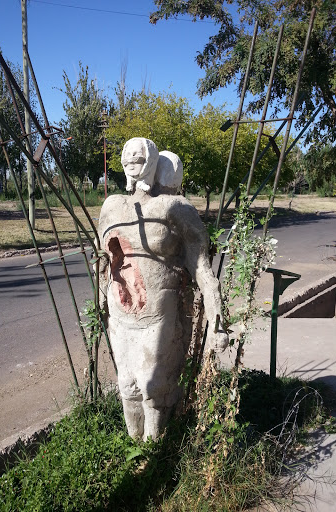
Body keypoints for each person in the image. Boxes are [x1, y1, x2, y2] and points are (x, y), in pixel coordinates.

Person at [98, 137, 228, 440]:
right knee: (127, 387)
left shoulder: (175, 208)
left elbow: (202, 269)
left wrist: (217, 323)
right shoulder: (112, 205)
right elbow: (103, 257)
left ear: (153, 159)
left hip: (158, 315)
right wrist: (103, 300)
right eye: (126, 153)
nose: (131, 157)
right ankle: (136, 449)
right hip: (120, 315)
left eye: (139, 153)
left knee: (154, 387)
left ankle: (156, 452)